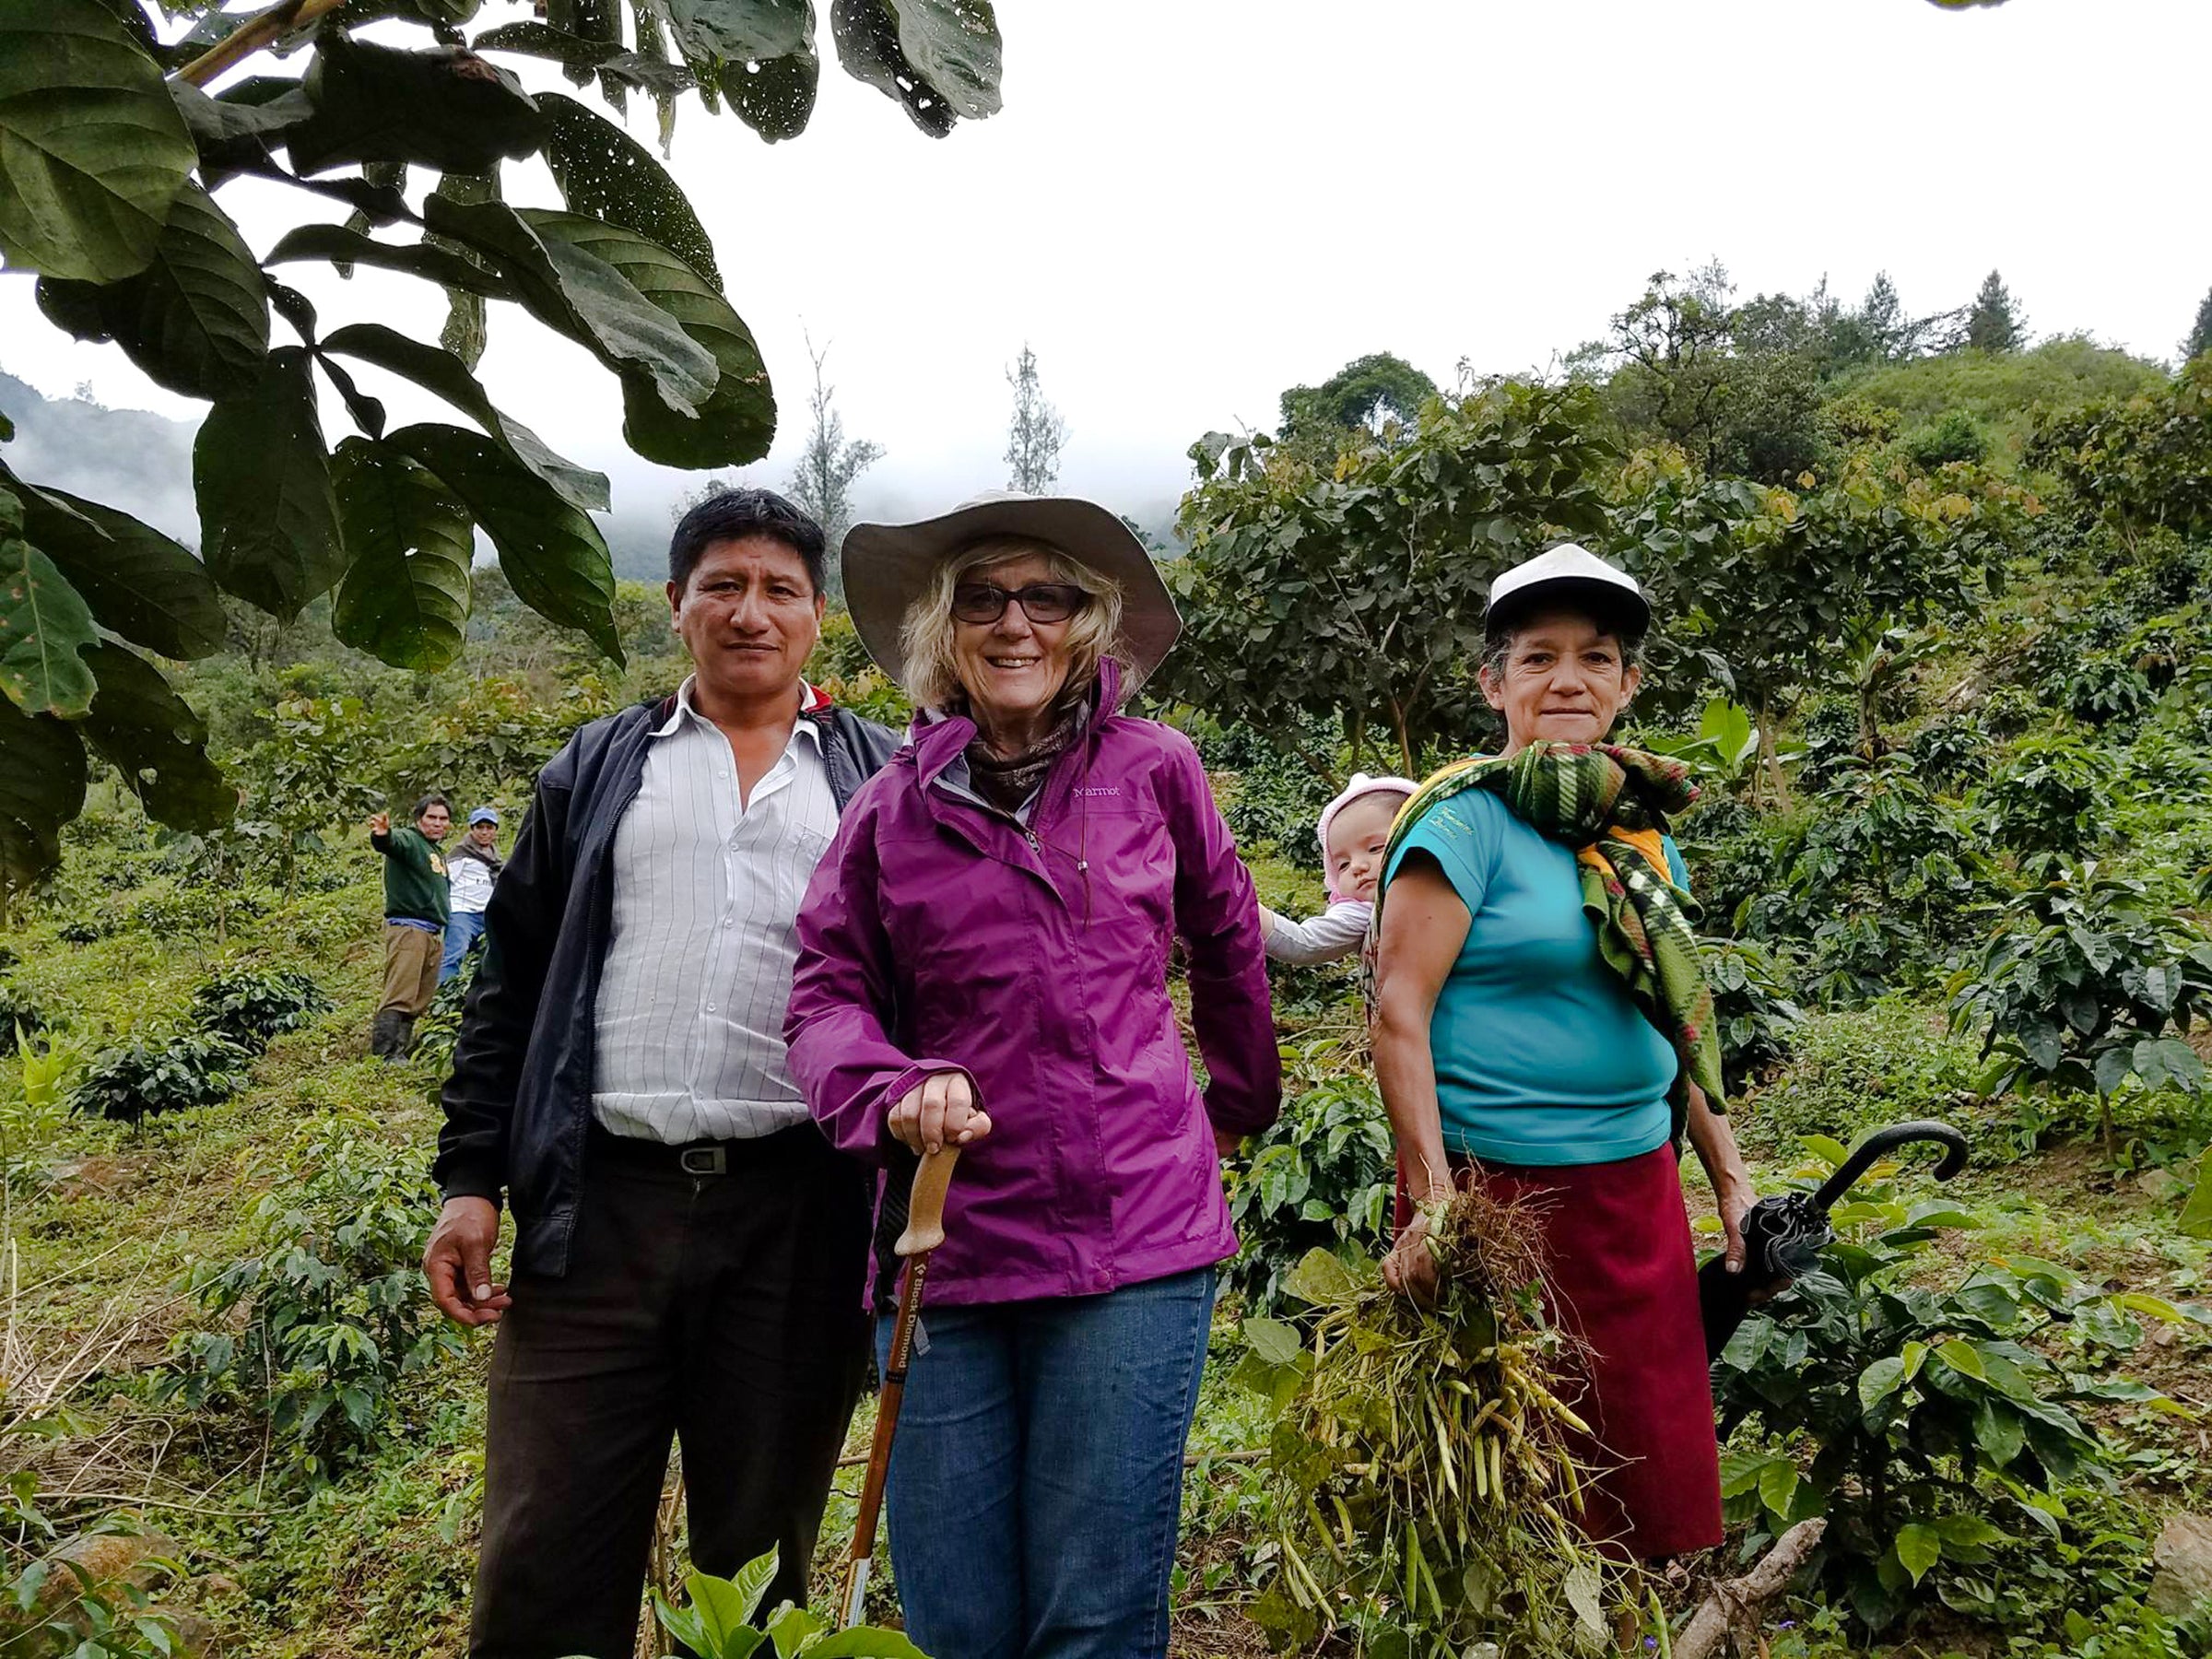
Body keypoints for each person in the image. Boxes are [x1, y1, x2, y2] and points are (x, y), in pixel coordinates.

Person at [786, 490, 1281, 1659]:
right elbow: (822, 996)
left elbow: (1228, 938)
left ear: (1087, 624)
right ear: (943, 632)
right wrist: (888, 1085)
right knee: (959, 1620)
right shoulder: (888, 812)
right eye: (983, 599)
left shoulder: (1156, 770)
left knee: (1096, 1616)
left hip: (1137, 1246)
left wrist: (1235, 1108)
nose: (1016, 624)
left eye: (1045, 597)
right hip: (949, 1251)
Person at [424, 488, 900, 1659]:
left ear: (818, 615)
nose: (751, 612)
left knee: (753, 1561)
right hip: (597, 1212)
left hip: (798, 1213)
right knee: (544, 1550)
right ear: (677, 605)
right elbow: (512, 987)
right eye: (722, 586)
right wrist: (472, 1176)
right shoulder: (597, 768)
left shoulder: (880, 780)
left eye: (780, 589)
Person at [1368, 542, 1757, 1563]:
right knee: (1515, 1489)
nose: (1569, 679)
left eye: (1596, 656)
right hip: (1502, 1207)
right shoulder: (1463, 823)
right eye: (1538, 657)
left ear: (1629, 684)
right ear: (1494, 684)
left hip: (1634, 1191)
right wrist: (1436, 1203)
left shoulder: (1637, 827)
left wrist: (1730, 1184)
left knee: (1642, 1476)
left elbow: (1678, 1016)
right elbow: (1397, 1012)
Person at [1256, 772, 1416, 965]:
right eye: (1343, 865)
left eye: (1375, 848)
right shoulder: (1362, 910)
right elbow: (1304, 943)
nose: (1357, 867)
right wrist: (1246, 908)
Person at [369, 794, 450, 1058]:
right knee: (399, 993)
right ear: (419, 819)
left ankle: (401, 1050)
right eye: (431, 817)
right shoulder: (410, 841)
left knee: (419, 997)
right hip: (409, 929)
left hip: (432, 932)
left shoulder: (435, 851)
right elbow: (392, 843)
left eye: (443, 819)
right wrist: (382, 835)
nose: (437, 823)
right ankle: (385, 1053)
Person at [440, 807, 502, 983]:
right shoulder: (460, 854)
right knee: (455, 953)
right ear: (471, 829)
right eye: (479, 827)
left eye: (489, 828)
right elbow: (446, 881)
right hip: (462, 912)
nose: (484, 832)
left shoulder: (494, 857)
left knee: (490, 956)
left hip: (486, 914)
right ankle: (443, 993)